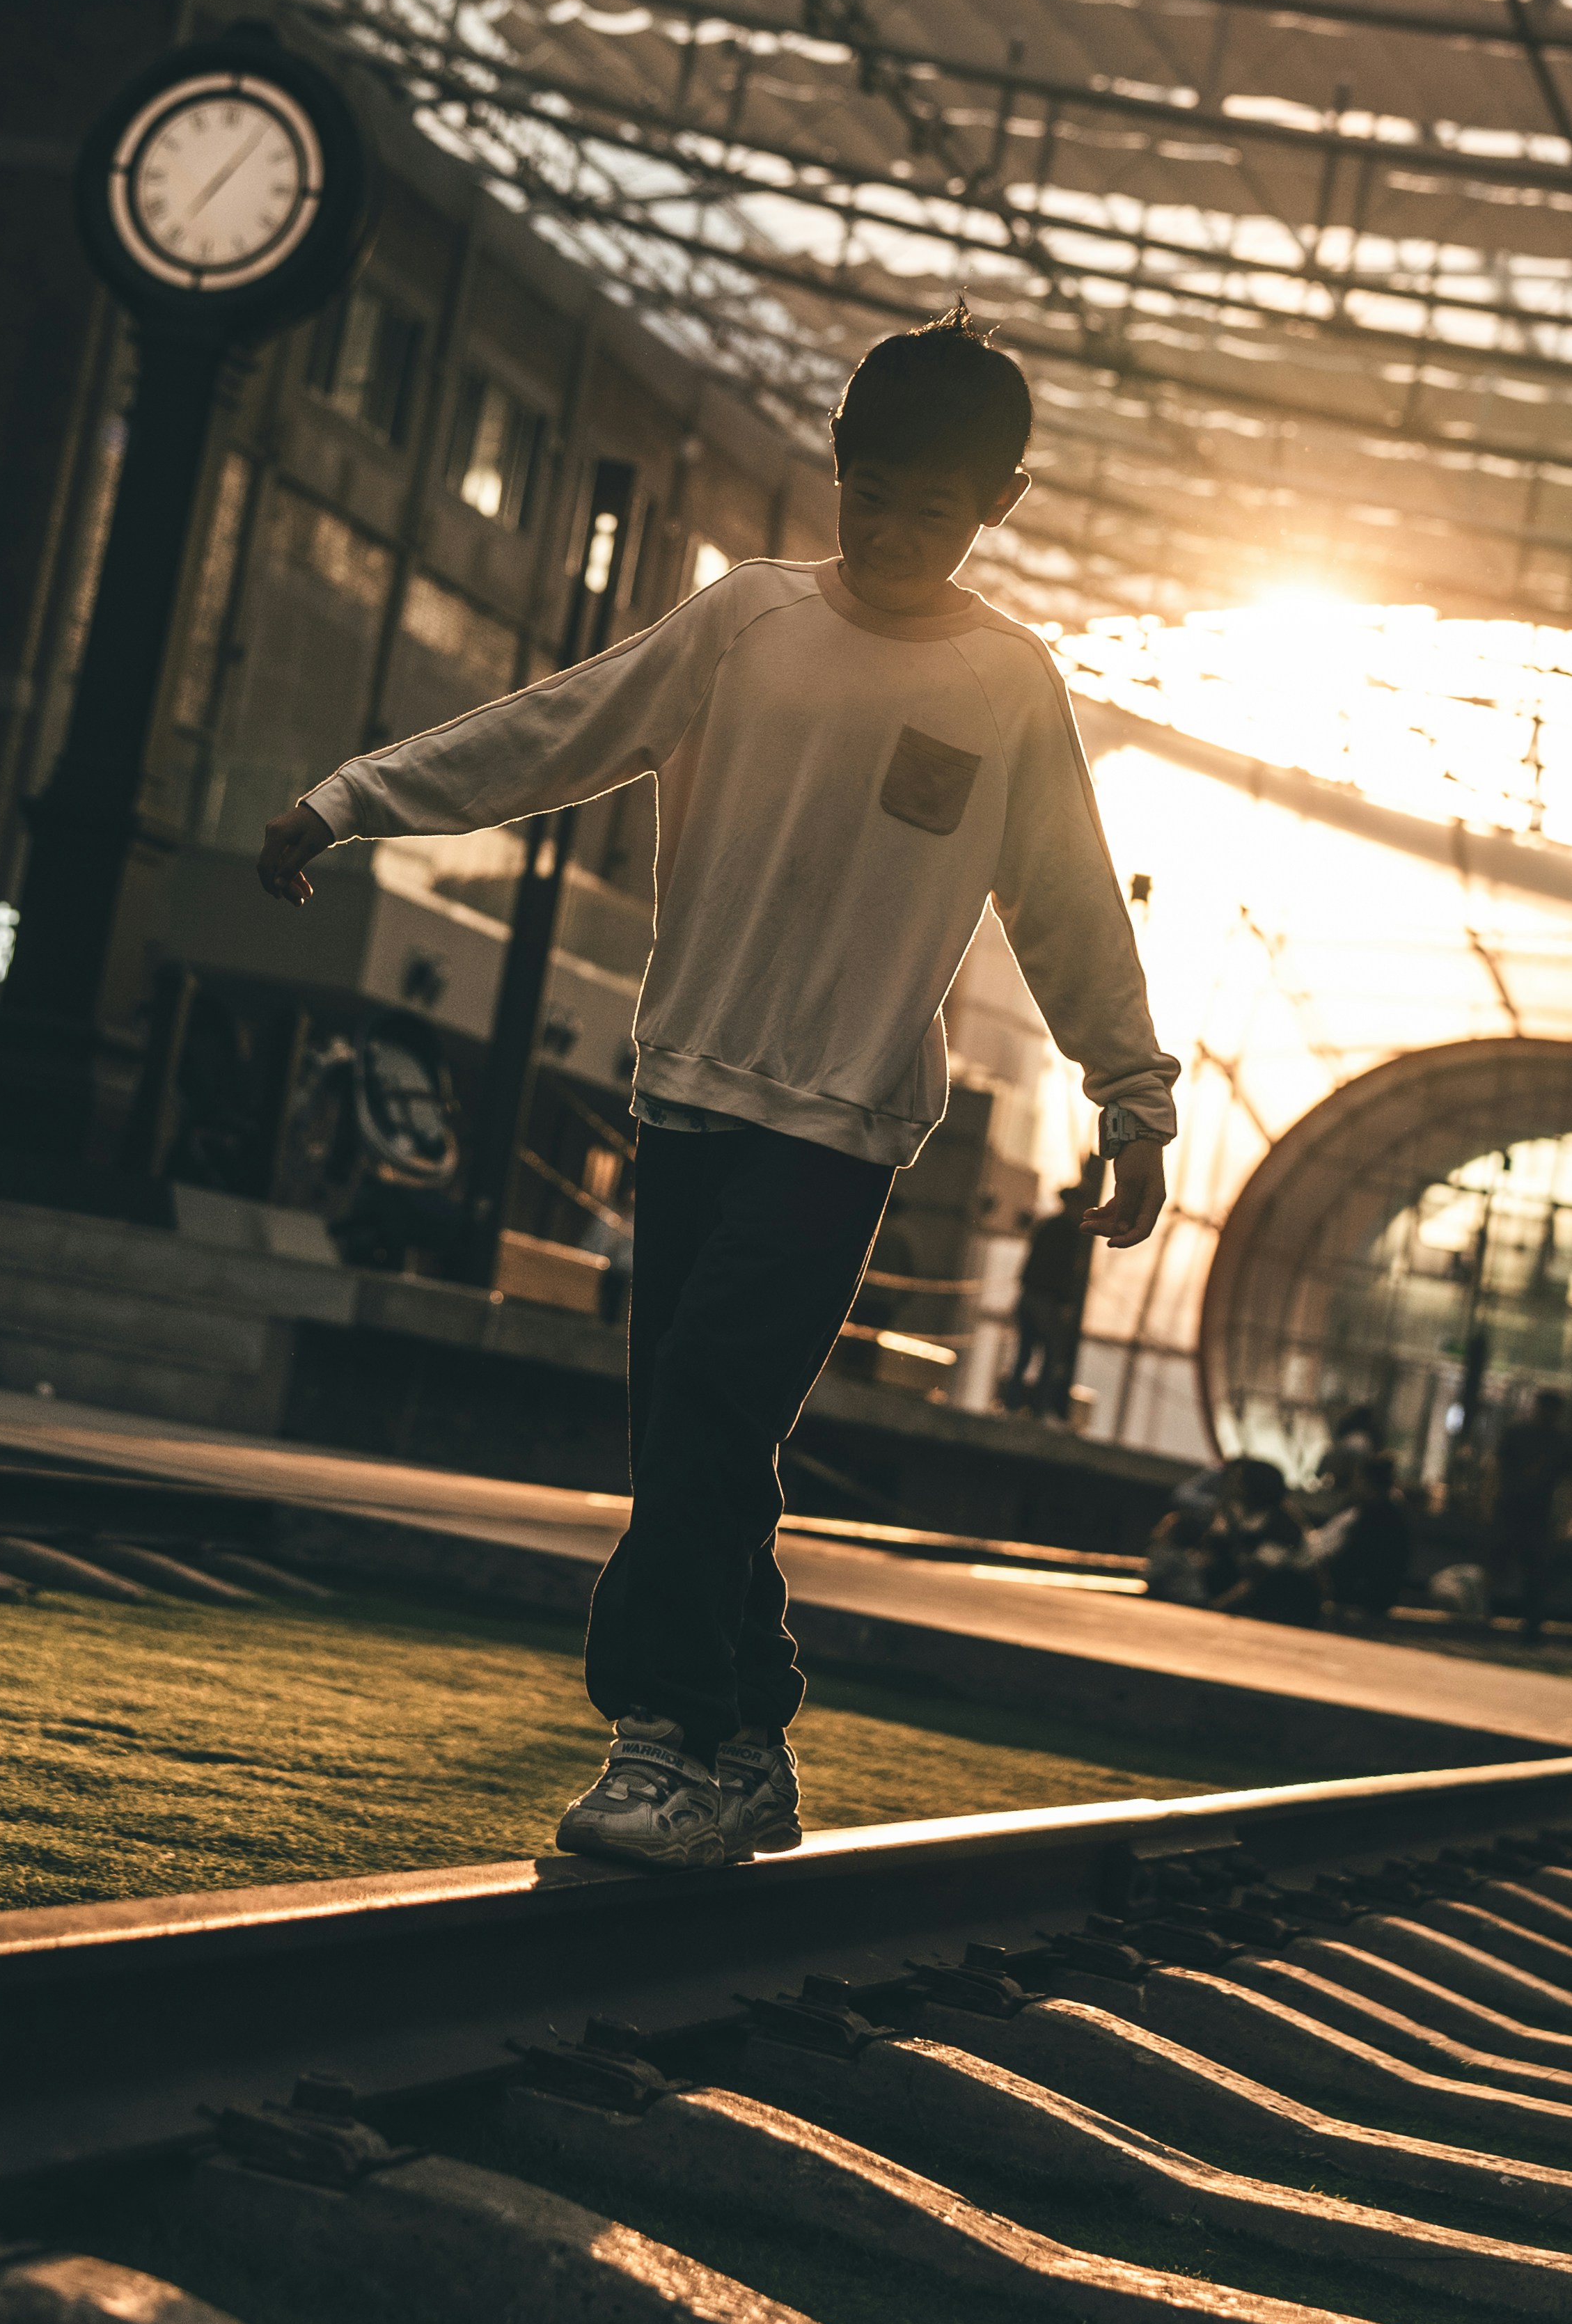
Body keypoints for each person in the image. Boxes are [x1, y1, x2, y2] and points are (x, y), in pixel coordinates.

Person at [257, 303, 1177, 1867]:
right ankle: (747, 1740)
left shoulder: (1008, 682)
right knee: (701, 1443)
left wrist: (1130, 1095)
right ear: (832, 462)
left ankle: (657, 1734)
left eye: (932, 509)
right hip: (685, 1095)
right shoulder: (743, 618)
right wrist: (350, 800)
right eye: (866, 491)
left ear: (996, 510)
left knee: (699, 1410)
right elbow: (556, 731)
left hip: (840, 1127)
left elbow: (1068, 902)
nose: (891, 531)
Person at [1488, 1389, 1572, 1643]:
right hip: (1514, 1508)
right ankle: (1493, 1615)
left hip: (1535, 1513)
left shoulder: (1560, 1442)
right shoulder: (1520, 1434)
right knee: (1503, 1562)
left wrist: (1566, 1518)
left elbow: (1567, 1483)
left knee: (1534, 1569)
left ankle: (1530, 1624)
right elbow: (1498, 1468)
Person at [1003, 1183, 1092, 1421]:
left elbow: (1031, 1263)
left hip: (1029, 1295)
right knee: (1051, 1355)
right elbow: (1065, 1272)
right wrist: (1066, 1302)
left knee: (1024, 1353)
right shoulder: (1071, 1232)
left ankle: (1011, 1404)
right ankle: (1039, 1410)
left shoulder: (1047, 1225)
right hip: (1048, 1301)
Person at [1206, 1458, 1321, 1628]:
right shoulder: (1233, 1511)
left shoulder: (1283, 1525)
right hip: (1246, 1581)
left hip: (1286, 1594)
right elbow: (1212, 1553)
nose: (1231, 1482)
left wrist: (1212, 1607)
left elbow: (1256, 1577)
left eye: (1239, 1479)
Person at [1310, 1451, 1411, 1622]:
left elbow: (1335, 1554)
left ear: (1366, 1482)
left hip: (1359, 1594)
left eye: (1357, 1479)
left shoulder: (1369, 1515)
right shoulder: (1390, 1513)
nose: (1353, 1485)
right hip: (1376, 1594)